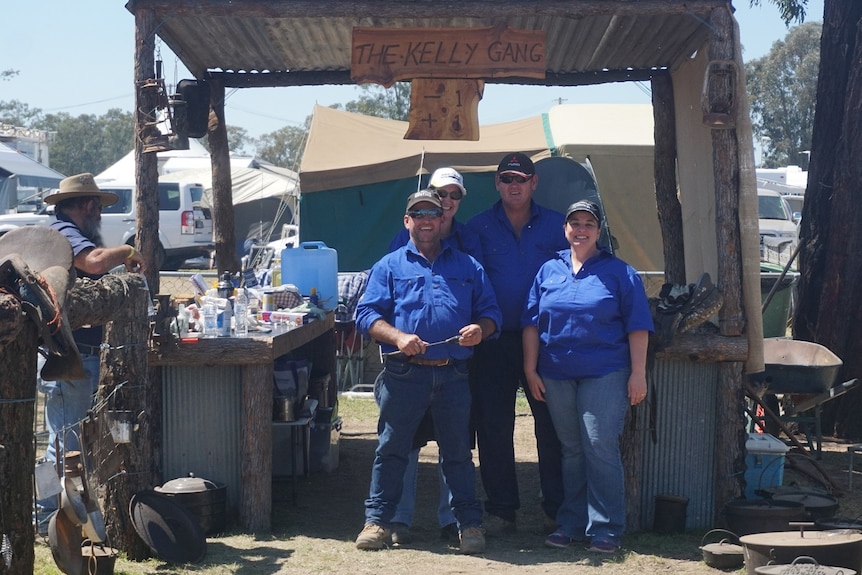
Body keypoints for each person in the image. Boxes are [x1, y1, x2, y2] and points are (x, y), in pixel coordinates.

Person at [355, 188, 501, 554]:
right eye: (417, 214)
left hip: (453, 375)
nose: (425, 221)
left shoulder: (469, 266)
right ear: (407, 221)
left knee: (457, 455)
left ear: (442, 220)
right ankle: (377, 523)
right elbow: (366, 315)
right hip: (404, 375)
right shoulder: (388, 266)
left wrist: (480, 330)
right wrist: (398, 336)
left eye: (432, 214)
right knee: (391, 450)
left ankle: (468, 526)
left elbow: (492, 314)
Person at [522, 200, 653, 554]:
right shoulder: (548, 270)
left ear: (599, 231)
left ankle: (607, 528)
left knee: (599, 446)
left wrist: (638, 374)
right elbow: (532, 324)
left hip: (605, 372)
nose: (581, 230)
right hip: (556, 373)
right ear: (565, 229)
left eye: (588, 224)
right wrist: (530, 369)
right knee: (571, 450)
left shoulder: (619, 272)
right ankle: (571, 522)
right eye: (574, 223)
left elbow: (638, 327)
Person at [35, 173, 146, 531]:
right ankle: (44, 518)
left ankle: (55, 516)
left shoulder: (63, 232)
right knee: (62, 445)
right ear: (87, 205)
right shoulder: (64, 234)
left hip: (73, 354)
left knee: (67, 442)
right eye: (96, 206)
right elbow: (96, 262)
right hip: (70, 355)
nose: (98, 213)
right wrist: (128, 251)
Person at [466, 152, 567, 534]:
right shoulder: (477, 227)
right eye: (507, 178)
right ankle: (501, 510)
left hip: (545, 342)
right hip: (493, 341)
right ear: (497, 183)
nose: (514, 185)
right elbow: (472, 285)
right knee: (494, 426)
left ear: (534, 183)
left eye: (521, 179)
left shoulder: (559, 226)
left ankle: (558, 510)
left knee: (552, 426)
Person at [386, 167, 483, 544]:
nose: (446, 202)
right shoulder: (403, 239)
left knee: (455, 444)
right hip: (407, 366)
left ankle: (452, 521)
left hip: (454, 363)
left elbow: (479, 292)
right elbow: (388, 291)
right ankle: (396, 519)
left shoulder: (469, 240)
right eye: (440, 194)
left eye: (454, 196)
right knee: (402, 443)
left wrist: (478, 327)